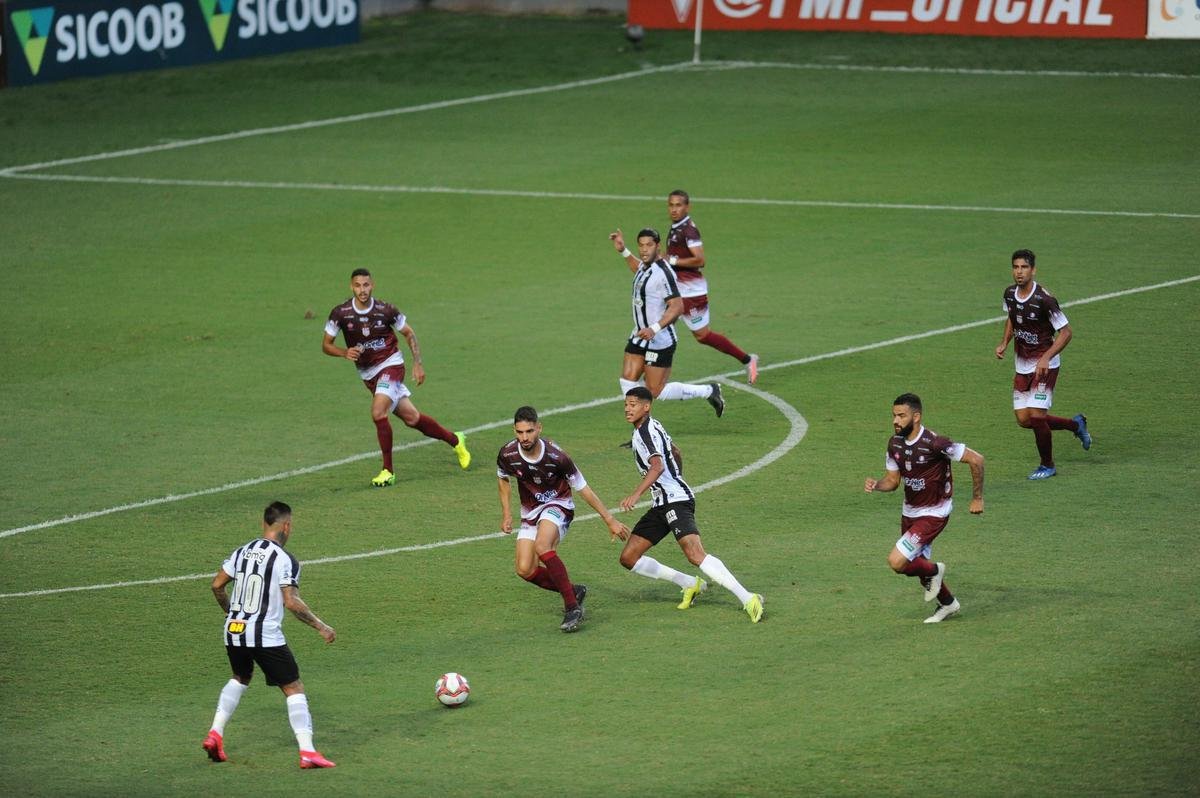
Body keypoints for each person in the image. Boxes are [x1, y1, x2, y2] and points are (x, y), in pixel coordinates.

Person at [202, 501, 337, 768]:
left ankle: (215, 733)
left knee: (240, 677)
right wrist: (322, 626)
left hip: (234, 631)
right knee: (293, 687)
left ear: (265, 523)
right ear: (286, 526)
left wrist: (232, 613)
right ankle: (307, 751)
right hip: (264, 634)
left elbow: (217, 585)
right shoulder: (285, 559)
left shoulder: (242, 551)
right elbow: (291, 601)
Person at [617, 386, 764, 622]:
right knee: (629, 558)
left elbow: (657, 466)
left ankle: (748, 598)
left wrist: (636, 495)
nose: (627, 409)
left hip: (675, 501)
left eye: (633, 404)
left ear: (647, 406)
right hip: (661, 504)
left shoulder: (645, 432)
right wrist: (676, 479)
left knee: (695, 554)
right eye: (626, 404)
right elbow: (675, 452)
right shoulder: (650, 426)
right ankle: (689, 584)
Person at [323, 268, 471, 487]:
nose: (362, 290)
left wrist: (417, 363)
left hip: (391, 364)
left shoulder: (386, 310)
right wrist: (344, 352)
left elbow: (408, 332)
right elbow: (326, 345)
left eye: (366, 285)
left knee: (377, 412)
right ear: (351, 286)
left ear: (372, 285)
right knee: (412, 418)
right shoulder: (341, 313)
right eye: (357, 285)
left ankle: (388, 471)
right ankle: (456, 440)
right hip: (367, 373)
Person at [497, 406, 630, 632]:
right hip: (530, 512)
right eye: (519, 432)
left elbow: (583, 488)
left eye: (529, 431)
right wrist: (507, 514)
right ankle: (573, 590)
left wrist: (609, 519)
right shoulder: (507, 454)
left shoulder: (556, 456)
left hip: (559, 505)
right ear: (514, 430)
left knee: (542, 545)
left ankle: (572, 608)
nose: (524, 437)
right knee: (524, 569)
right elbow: (503, 478)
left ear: (539, 428)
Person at [864, 394, 984, 624]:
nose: (895, 421)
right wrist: (877, 485)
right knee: (915, 566)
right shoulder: (894, 443)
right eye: (894, 416)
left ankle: (935, 571)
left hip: (934, 512)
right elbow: (893, 481)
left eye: (901, 416)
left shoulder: (935, 443)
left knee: (897, 561)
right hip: (910, 511)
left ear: (916, 416)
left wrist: (977, 498)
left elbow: (977, 460)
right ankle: (948, 604)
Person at [994, 249, 1091, 480]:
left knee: (1037, 416)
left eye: (1024, 267)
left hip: (1045, 365)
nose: (1019, 272)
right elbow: (1012, 318)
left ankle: (1047, 465)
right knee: (1024, 420)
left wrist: (1047, 357)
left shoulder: (1044, 299)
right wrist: (1004, 342)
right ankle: (1075, 426)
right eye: (1016, 267)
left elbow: (1066, 333)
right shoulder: (1009, 294)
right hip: (1022, 366)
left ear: (1033, 270)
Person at [608, 227, 725, 417]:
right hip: (639, 335)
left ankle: (709, 391)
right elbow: (637, 269)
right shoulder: (645, 267)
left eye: (649, 245)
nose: (644, 249)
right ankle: (641, 430)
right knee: (628, 381)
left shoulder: (664, 273)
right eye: (641, 245)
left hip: (660, 338)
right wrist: (623, 250)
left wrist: (654, 328)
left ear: (657, 247)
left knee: (654, 391)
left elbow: (677, 306)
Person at [664, 190, 759, 384]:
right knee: (661, 328)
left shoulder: (689, 230)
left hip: (692, 292)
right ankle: (650, 376)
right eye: (671, 205)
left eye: (678, 205)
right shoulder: (676, 227)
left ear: (687, 207)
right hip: (678, 291)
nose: (674, 209)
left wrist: (671, 260)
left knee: (702, 336)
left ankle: (748, 360)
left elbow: (700, 259)